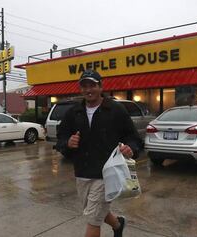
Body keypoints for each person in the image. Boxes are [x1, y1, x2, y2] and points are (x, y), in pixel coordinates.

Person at [56, 69, 142, 237]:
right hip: (82, 172)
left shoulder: (116, 110)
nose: (88, 90)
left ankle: (116, 225)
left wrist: (131, 148)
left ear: (101, 87)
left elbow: (134, 138)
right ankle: (118, 224)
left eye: (92, 85)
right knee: (94, 211)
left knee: (93, 218)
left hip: (107, 173)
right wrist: (67, 142)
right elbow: (61, 137)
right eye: (84, 86)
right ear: (80, 89)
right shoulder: (74, 113)